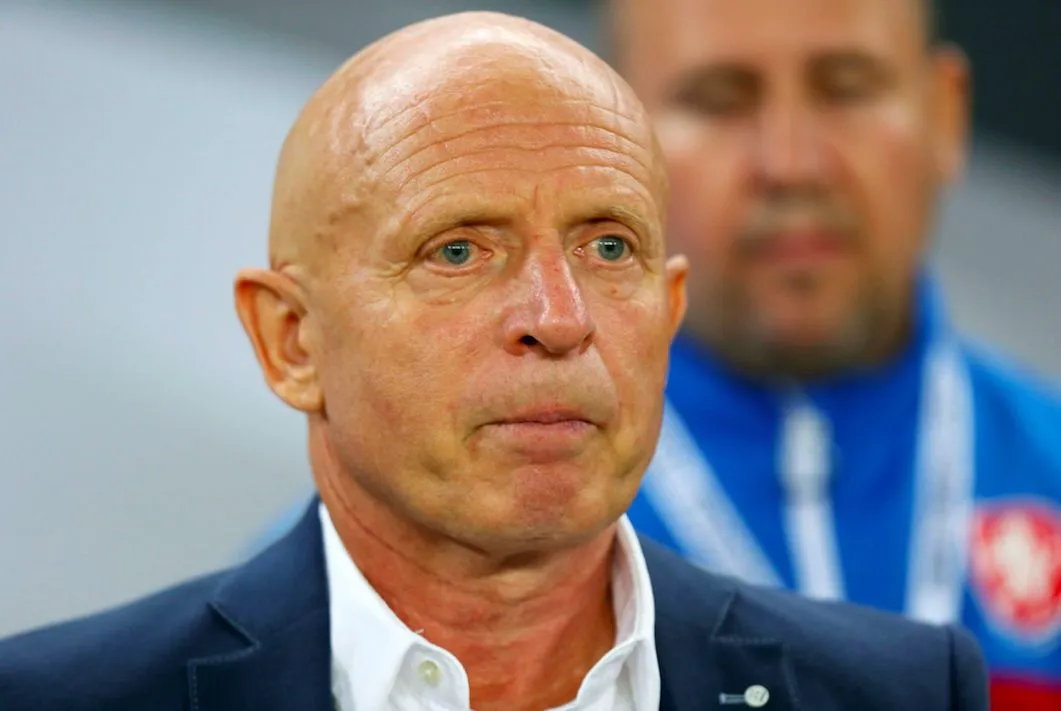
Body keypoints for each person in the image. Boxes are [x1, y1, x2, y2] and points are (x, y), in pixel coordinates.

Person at [0, 12, 988, 711]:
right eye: (459, 251)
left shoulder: (899, 693)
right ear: (291, 339)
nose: (558, 319)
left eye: (608, 247)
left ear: (666, 314)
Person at [606, 0, 1061, 706]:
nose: (791, 164)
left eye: (847, 89)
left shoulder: (1046, 466)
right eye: (719, 100)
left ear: (944, 114)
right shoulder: (519, 530)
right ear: (612, 147)